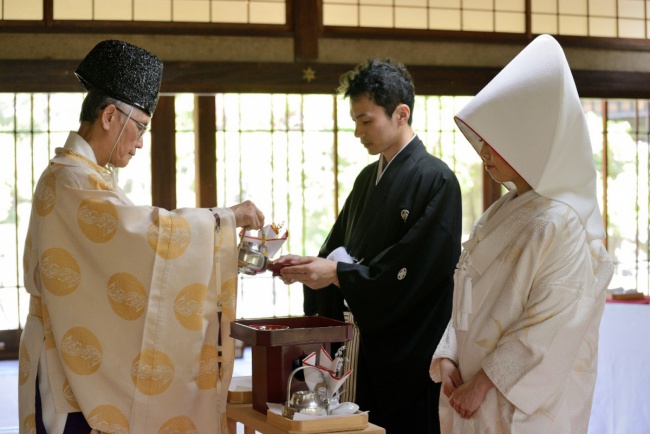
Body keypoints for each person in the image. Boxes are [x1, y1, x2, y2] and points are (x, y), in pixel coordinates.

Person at [17, 40, 264, 433]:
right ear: (111, 116)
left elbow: (134, 249)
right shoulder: (70, 179)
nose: (141, 142)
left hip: (70, 345)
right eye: (141, 127)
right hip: (65, 357)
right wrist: (225, 219)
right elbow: (148, 236)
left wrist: (223, 247)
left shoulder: (85, 176)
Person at [429, 34, 614, 433]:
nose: (485, 153)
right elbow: (470, 297)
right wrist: (448, 355)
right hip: (471, 386)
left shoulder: (564, 222)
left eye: (498, 141)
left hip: (511, 399)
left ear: (534, 142)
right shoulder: (503, 209)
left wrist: (483, 382)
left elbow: (552, 324)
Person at [277, 58, 462, 433]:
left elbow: (416, 273)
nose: (360, 133)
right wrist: (315, 268)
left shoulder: (438, 180)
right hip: (359, 353)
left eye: (367, 121)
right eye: (355, 122)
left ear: (400, 114)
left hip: (407, 353)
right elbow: (338, 250)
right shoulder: (366, 180)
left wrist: (340, 274)